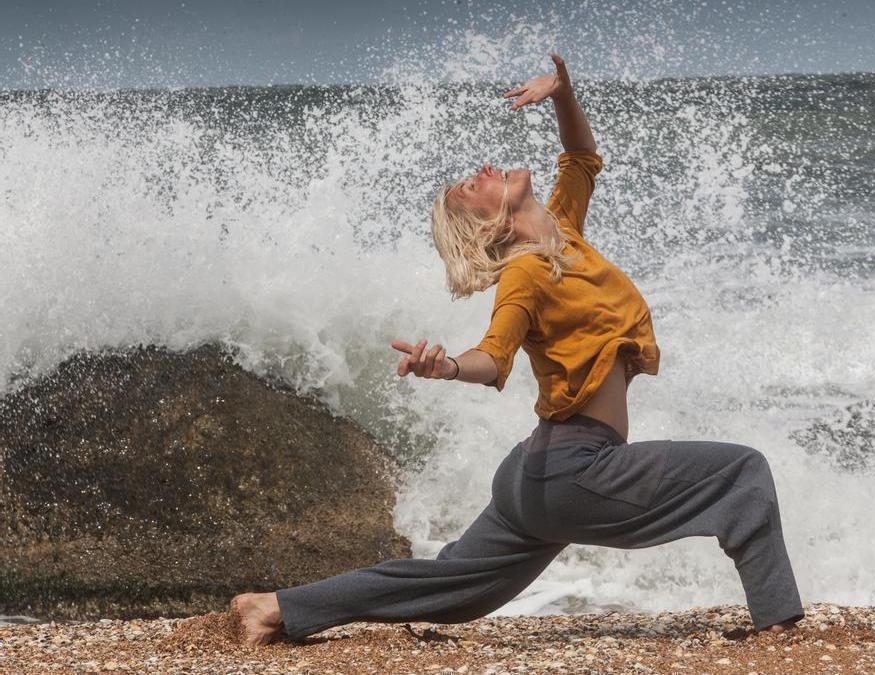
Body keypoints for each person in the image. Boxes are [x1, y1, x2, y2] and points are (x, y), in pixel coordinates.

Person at [230, 52, 805, 647]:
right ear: (487, 229)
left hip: (538, 472)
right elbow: (493, 357)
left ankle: (275, 608)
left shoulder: (564, 231)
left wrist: (562, 94)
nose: (481, 170)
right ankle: (781, 624)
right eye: (468, 188)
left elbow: (582, 158)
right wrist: (447, 366)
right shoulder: (525, 275)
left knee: (451, 590)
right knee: (742, 472)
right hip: (572, 469)